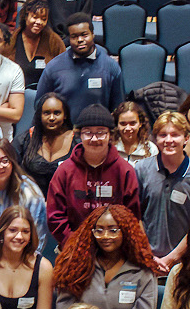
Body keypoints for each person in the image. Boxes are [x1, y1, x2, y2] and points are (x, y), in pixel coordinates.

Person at [53, 205, 163, 309]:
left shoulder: (143, 273)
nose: (105, 236)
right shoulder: (76, 266)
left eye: (113, 230)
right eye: (99, 230)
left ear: (126, 232)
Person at [45, 104, 144, 243]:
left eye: (101, 132)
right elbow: (55, 217)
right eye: (88, 132)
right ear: (79, 135)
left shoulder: (125, 170)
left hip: (116, 249)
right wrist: (75, 245)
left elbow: (132, 215)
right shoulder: (65, 171)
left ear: (110, 135)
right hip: (73, 247)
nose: (94, 139)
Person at [136, 110, 190, 274]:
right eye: (162, 135)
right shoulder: (141, 169)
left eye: (175, 135)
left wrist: (171, 258)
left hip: (184, 263)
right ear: (155, 139)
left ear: (186, 138)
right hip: (144, 259)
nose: (169, 140)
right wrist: (147, 254)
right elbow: (134, 216)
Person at [35, 19, 125, 115]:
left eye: (84, 35)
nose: (80, 40)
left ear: (93, 34)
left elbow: (118, 108)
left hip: (98, 128)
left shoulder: (111, 67)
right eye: (74, 36)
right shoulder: (53, 67)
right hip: (64, 129)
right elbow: (39, 104)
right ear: (69, 39)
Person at [15, 91, 76, 190]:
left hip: (66, 202)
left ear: (65, 115)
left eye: (57, 113)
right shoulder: (24, 140)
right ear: (40, 115)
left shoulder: (77, 142)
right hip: (32, 200)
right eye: (46, 113)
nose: (51, 118)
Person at [12, 0, 63, 89]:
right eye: (35, 17)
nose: (39, 22)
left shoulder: (54, 41)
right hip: (15, 93)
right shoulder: (12, 40)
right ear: (25, 16)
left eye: (43, 19)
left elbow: (63, 70)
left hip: (46, 93)